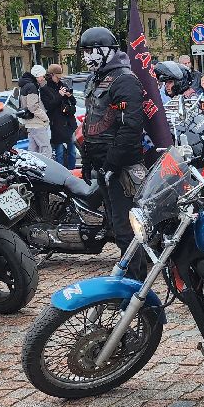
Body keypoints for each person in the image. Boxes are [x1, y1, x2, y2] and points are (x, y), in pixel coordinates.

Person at [77, 27, 146, 252]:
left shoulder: (124, 80)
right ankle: (129, 276)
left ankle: (135, 282)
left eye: (92, 51)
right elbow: (90, 123)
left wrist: (111, 164)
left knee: (126, 230)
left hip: (122, 168)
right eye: (84, 52)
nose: (87, 57)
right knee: (117, 228)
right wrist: (88, 160)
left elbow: (131, 127)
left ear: (107, 51)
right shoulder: (94, 79)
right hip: (103, 165)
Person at [41, 64, 77, 168]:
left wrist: (70, 96)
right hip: (57, 124)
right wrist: (59, 95)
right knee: (59, 152)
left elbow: (73, 102)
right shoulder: (45, 89)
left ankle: (72, 171)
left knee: (72, 151)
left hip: (69, 122)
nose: (59, 79)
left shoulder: (63, 85)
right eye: (57, 77)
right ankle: (61, 175)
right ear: (51, 75)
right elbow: (49, 106)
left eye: (60, 77)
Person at [19, 64, 52, 158]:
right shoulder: (32, 87)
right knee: (46, 149)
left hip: (30, 122)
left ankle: (31, 169)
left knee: (33, 151)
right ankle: (48, 171)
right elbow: (33, 107)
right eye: (42, 76)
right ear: (37, 75)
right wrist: (45, 117)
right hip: (37, 122)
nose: (43, 78)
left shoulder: (25, 86)